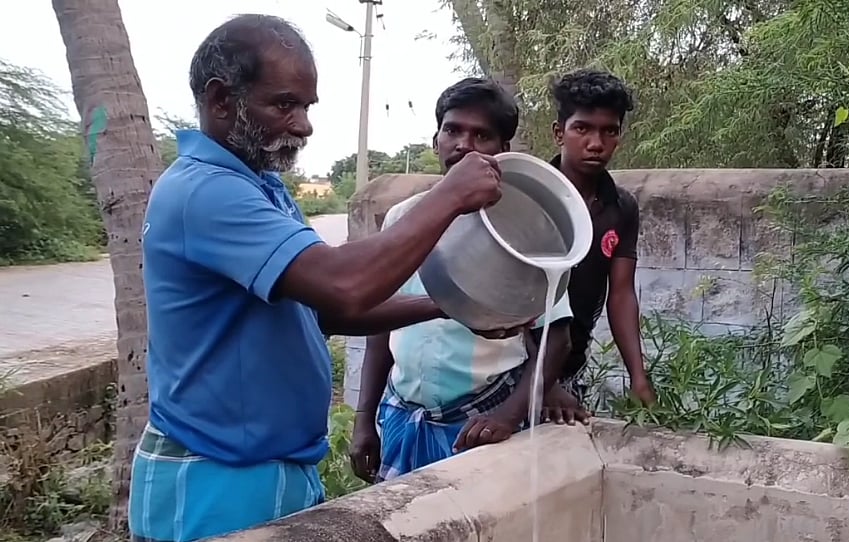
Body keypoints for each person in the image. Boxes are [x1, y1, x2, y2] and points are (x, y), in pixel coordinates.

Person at [131, 16, 512, 542]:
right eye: (284, 104)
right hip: (213, 475)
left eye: (306, 107)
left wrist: (449, 307)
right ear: (221, 100)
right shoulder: (205, 191)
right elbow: (343, 285)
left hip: (272, 467)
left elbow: (329, 312)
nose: (303, 125)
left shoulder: (259, 185)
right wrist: (450, 195)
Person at [348, 78, 574, 484]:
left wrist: (508, 415)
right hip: (403, 416)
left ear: (501, 151)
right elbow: (378, 324)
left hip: (479, 421)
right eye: (453, 130)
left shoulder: (521, 229)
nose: (464, 144)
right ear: (436, 140)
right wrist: (365, 418)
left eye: (481, 135)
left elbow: (555, 338)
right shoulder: (404, 219)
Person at [540, 68, 657, 423]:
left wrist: (638, 376)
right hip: (513, 370)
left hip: (571, 370)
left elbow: (620, 294)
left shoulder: (620, 208)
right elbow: (508, 297)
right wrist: (541, 383)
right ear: (560, 133)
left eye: (609, 131)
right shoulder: (531, 197)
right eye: (583, 128)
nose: (596, 143)